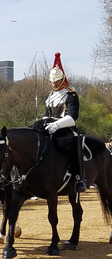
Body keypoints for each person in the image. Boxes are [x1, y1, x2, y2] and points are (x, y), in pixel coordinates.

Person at [42, 52, 85, 192]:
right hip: (50, 127)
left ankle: (79, 178)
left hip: (65, 127)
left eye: (56, 81)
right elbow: (46, 114)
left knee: (72, 142)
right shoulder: (50, 96)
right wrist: (42, 123)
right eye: (52, 81)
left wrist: (56, 124)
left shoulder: (70, 94)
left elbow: (72, 117)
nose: (53, 84)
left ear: (62, 79)